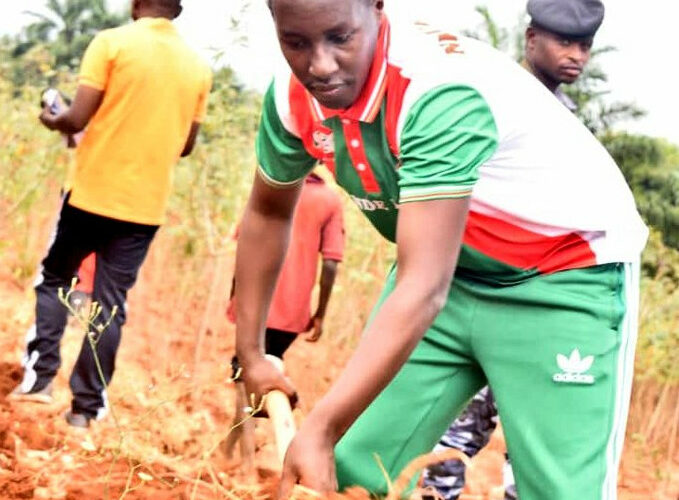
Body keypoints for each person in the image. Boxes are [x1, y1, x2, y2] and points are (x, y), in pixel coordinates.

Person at [234, 1, 647, 500]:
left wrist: (319, 427)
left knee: (560, 492)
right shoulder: (291, 99)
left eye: (340, 38)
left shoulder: (436, 90)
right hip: (447, 277)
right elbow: (269, 213)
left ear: (378, 8)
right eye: (295, 42)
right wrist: (253, 354)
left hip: (562, 276)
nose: (318, 65)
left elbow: (422, 287)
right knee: (352, 474)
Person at [422, 1, 605, 498]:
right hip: (475, 292)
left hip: (542, 305)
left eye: (583, 45)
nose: (576, 55)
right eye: (563, 42)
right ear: (530, 40)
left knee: (532, 448)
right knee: (450, 441)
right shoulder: (488, 98)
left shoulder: (574, 126)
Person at [9, 0, 212, 429]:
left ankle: (39, 382)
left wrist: (53, 118)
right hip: (144, 209)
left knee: (55, 281)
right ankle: (84, 410)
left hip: (90, 196)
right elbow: (186, 145)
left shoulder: (112, 44)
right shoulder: (197, 67)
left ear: (137, 3)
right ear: (179, 8)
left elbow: (76, 118)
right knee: (109, 306)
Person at [222, 172, 344, 462]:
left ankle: (246, 460)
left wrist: (235, 294)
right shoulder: (329, 200)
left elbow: (246, 246)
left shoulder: (273, 185)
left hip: (254, 304)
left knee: (247, 375)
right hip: (292, 311)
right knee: (251, 374)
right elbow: (330, 264)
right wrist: (320, 314)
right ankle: (230, 451)